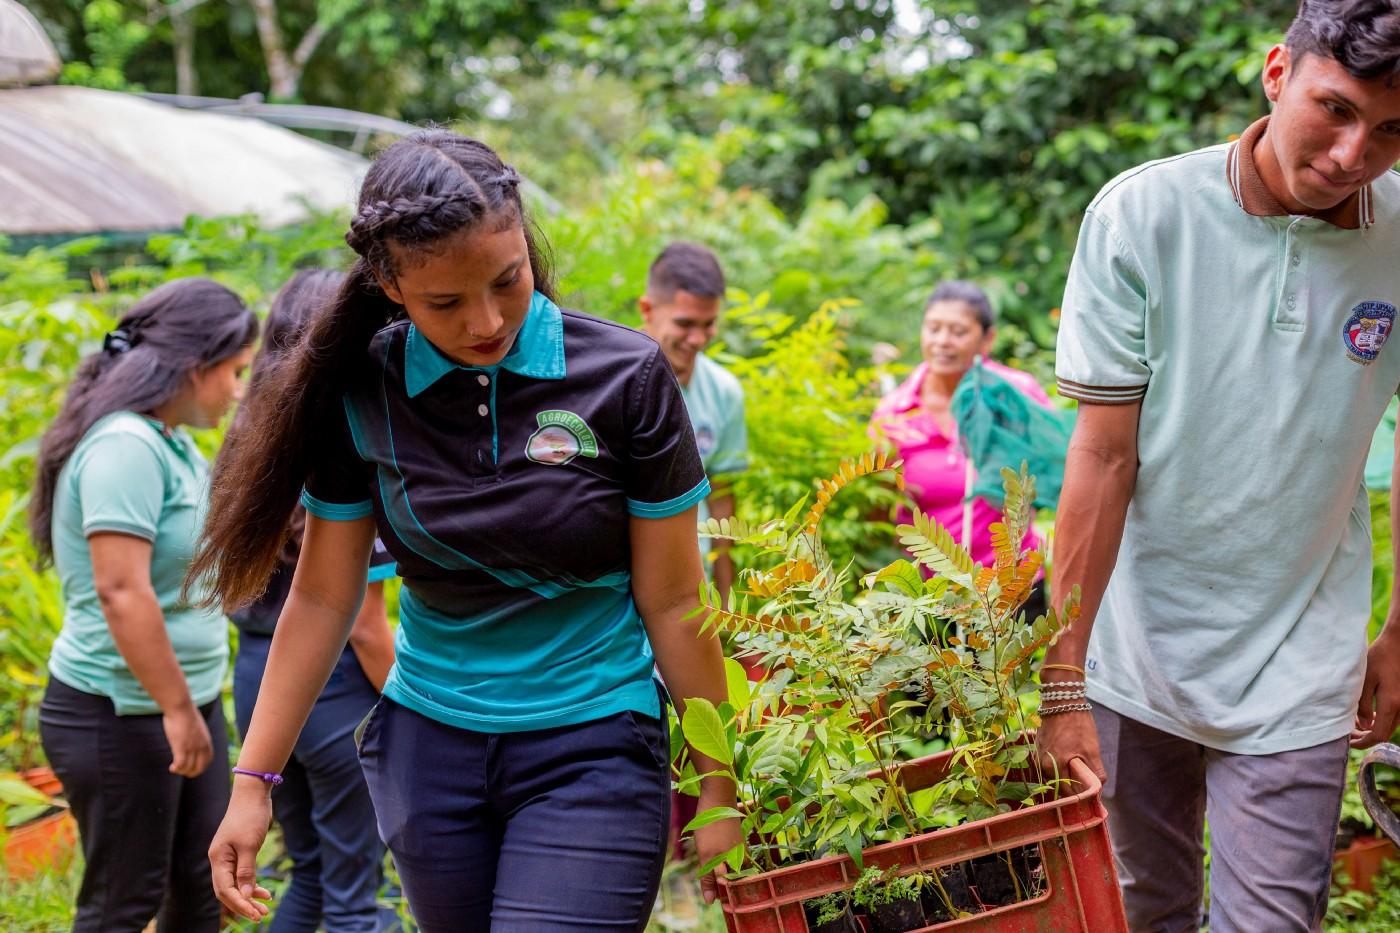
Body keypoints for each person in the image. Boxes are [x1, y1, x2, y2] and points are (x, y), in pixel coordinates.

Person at [193, 131, 741, 931]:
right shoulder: (364, 389)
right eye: (445, 302)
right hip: (430, 753)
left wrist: (718, 788)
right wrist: (254, 782)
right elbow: (321, 596)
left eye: (507, 281)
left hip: (593, 741)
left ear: (525, 245)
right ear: (389, 284)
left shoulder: (624, 377)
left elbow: (674, 600)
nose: (487, 321)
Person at [1040, 2, 1400, 929]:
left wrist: (1399, 631)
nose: (1354, 153)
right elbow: (1103, 456)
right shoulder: (1144, 215)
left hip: (1300, 656)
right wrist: (1062, 675)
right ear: (1278, 72)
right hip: (1135, 646)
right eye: (1335, 108)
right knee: (1143, 908)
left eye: (1393, 130)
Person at [30, 278, 258, 932]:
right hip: (123, 711)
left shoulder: (171, 444)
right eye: (235, 371)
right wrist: (177, 709)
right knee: (122, 904)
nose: (239, 390)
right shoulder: (124, 446)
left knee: (199, 883)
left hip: (182, 703)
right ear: (194, 366)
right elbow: (121, 590)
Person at [229, 270, 398, 933]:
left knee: (311, 874)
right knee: (361, 894)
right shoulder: (345, 436)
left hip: (260, 679)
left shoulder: (252, 435)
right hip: (333, 689)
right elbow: (362, 621)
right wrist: (413, 710)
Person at [870, 281, 1052, 572]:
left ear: (987, 339)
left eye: (958, 332)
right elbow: (875, 509)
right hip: (927, 600)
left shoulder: (1016, 395)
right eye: (933, 329)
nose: (942, 341)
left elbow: (1058, 467)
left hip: (1011, 587)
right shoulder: (894, 413)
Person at [638, 242, 748, 603]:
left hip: (692, 589)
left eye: (708, 324)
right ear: (648, 310)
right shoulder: (610, 384)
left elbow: (722, 494)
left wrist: (728, 598)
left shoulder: (724, 391)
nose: (698, 339)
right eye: (684, 324)